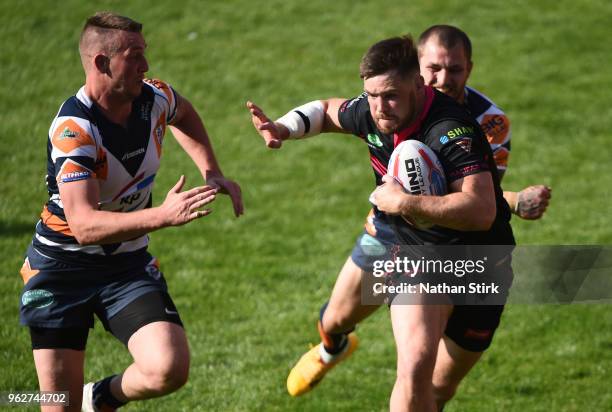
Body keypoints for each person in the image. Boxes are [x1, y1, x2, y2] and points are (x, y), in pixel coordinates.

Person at [248, 35, 514, 411]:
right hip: (415, 256)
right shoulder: (374, 110)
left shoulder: (452, 130)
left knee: (438, 389)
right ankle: (332, 347)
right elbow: (326, 110)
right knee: (408, 365)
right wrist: (284, 128)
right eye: (371, 95)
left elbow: (481, 211)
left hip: (482, 264)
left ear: (417, 86)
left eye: (389, 95)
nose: (378, 107)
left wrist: (404, 202)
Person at [18, 12, 242, 412]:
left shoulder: (153, 98)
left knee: (168, 368)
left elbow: (183, 112)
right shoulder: (76, 131)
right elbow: (84, 225)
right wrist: (164, 215)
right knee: (56, 404)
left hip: (125, 265)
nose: (146, 66)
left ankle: (99, 398)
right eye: (134, 56)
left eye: (145, 54)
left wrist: (212, 170)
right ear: (103, 63)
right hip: (60, 270)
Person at [417, 24, 551, 219]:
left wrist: (510, 200)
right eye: (434, 68)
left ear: (469, 69)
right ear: (417, 65)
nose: (444, 80)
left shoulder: (492, 123)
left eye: (455, 69)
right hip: (389, 224)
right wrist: (514, 201)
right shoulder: (396, 104)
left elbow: (481, 197)